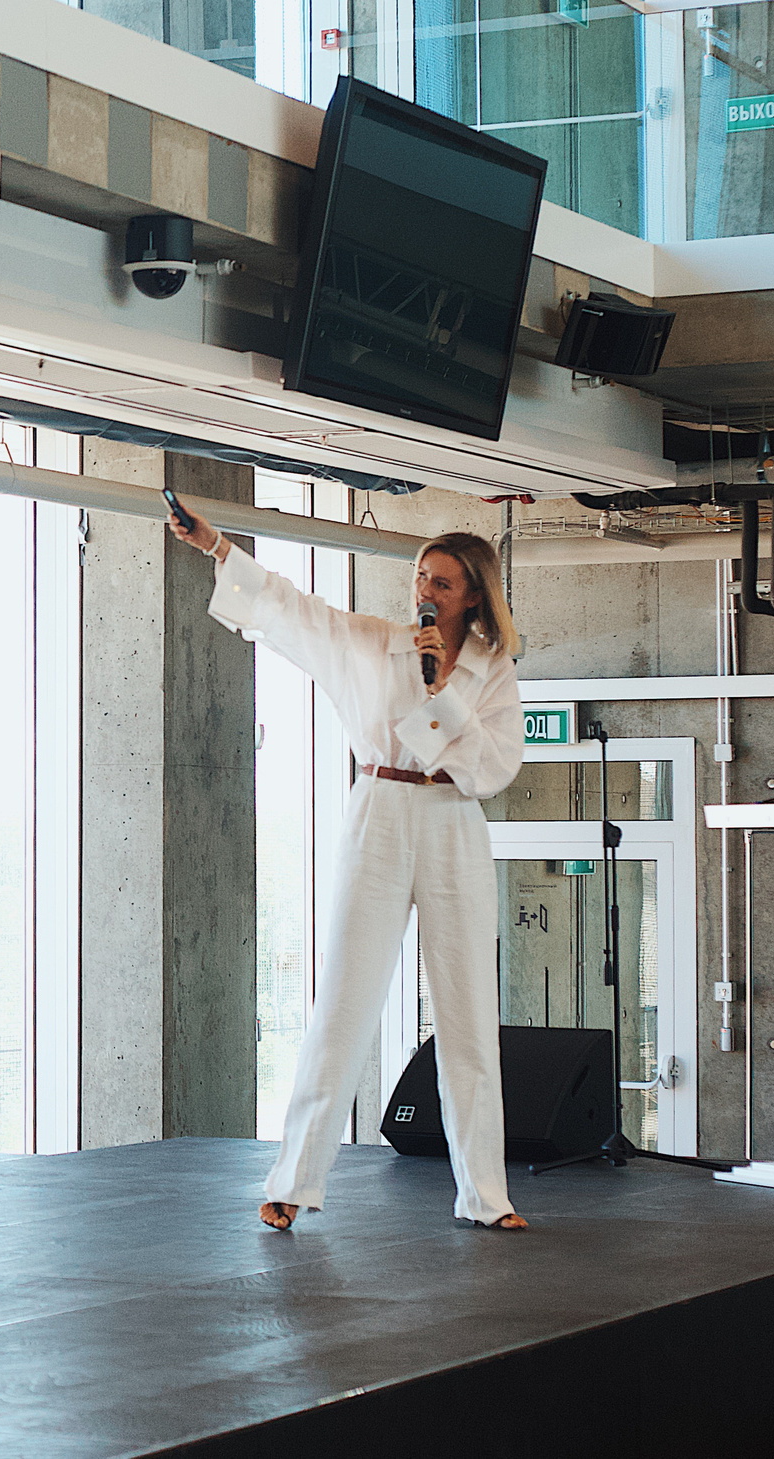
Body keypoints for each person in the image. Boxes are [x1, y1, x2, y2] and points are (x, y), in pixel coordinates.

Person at [166, 499, 529, 1232]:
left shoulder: (491, 669)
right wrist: (217, 547)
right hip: (380, 810)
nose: (425, 591)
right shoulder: (374, 643)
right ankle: (293, 1180)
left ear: (473, 596)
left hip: (453, 819)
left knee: (467, 1014)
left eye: (443, 582)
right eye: (421, 576)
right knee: (344, 1000)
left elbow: (498, 765)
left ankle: (487, 1197)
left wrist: (441, 698)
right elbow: (294, 610)